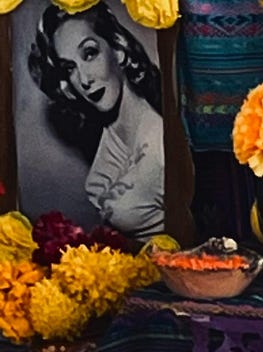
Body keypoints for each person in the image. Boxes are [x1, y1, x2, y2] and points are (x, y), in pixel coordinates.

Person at [28, 2, 166, 238]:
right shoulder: (111, 137)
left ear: (119, 49)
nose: (83, 79)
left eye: (90, 53)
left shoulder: (158, 147)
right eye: (69, 68)